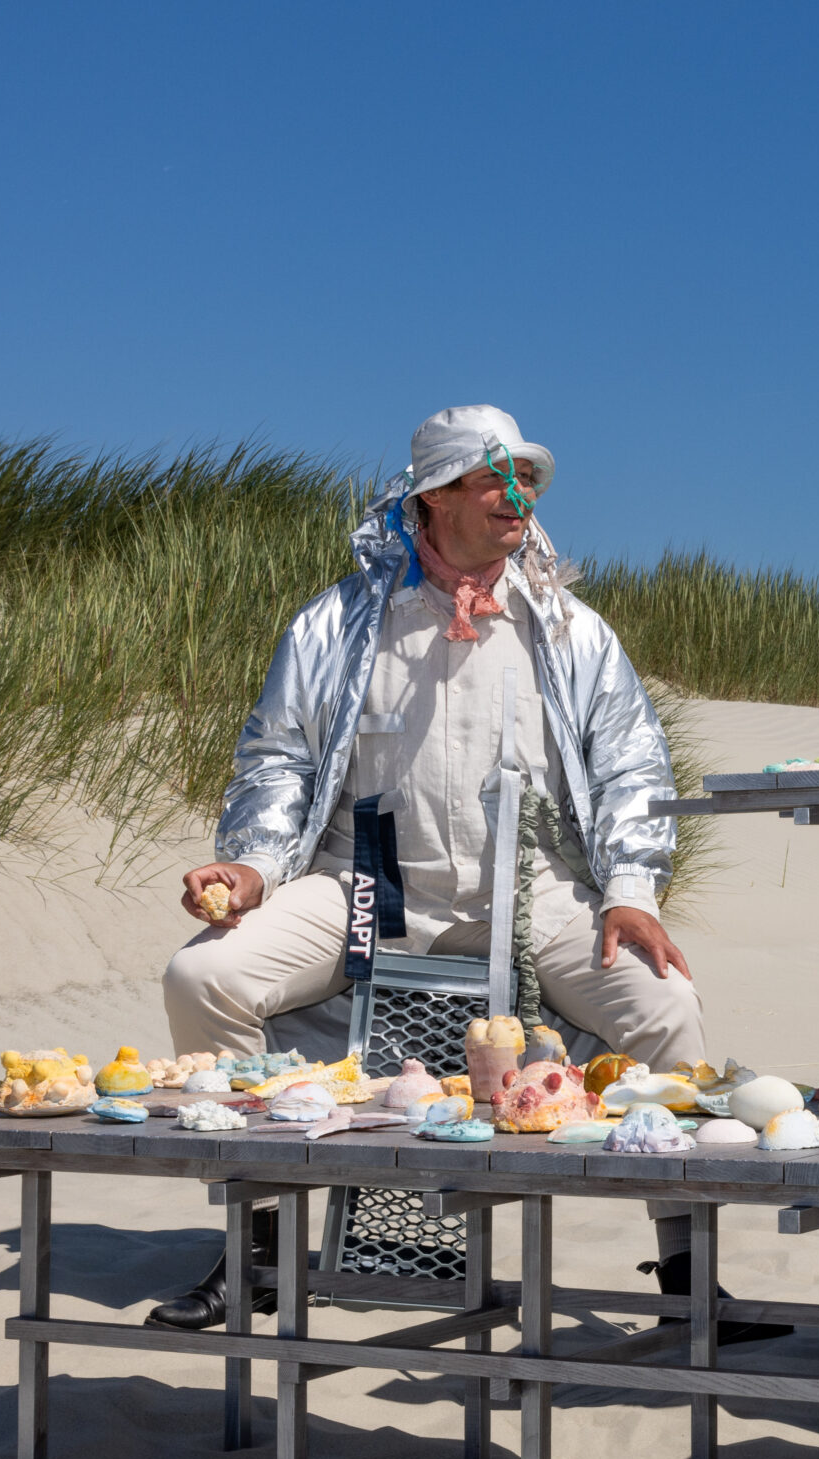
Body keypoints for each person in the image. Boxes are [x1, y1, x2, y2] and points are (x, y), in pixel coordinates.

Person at [148, 405, 782, 1343]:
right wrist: (251, 863)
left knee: (666, 1007)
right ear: (433, 499)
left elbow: (632, 767)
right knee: (202, 976)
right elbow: (278, 756)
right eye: (494, 480)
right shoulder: (339, 623)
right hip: (370, 887)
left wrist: (631, 893)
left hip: (531, 899)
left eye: (525, 480)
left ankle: (688, 1271)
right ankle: (264, 1245)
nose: (516, 497)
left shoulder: (570, 629)